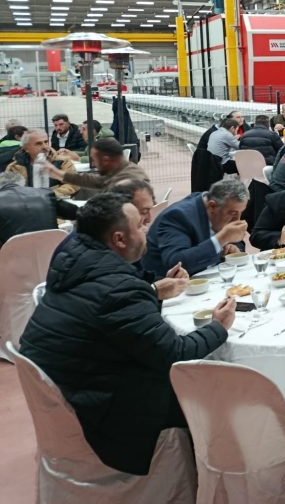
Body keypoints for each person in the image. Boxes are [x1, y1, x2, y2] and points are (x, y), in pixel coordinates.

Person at [19, 192, 236, 475]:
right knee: (208, 387)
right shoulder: (118, 289)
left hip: (70, 395)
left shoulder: (74, 263)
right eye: (140, 226)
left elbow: (103, 310)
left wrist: (152, 291)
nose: (147, 230)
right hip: (104, 418)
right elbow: (176, 353)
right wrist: (218, 327)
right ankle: (218, 473)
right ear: (119, 239)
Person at [143, 178, 249, 276]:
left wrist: (232, 247)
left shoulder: (218, 209)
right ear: (212, 206)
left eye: (241, 213)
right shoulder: (178, 216)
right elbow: (176, 263)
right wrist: (221, 239)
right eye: (233, 213)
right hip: (167, 284)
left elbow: (235, 240)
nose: (237, 219)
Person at [48, 137, 150, 192]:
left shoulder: (126, 182)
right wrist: (56, 173)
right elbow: (90, 180)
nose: (93, 164)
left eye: (94, 160)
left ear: (106, 160)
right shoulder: (119, 171)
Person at [0, 171, 68, 246]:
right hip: (52, 249)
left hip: (12, 251)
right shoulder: (45, 193)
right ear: (23, 183)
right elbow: (73, 212)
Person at [5, 129, 79, 198]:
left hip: (54, 201)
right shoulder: (14, 167)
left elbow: (73, 184)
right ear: (26, 148)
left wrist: (51, 194)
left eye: (46, 142)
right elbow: (9, 190)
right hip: (27, 203)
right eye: (38, 144)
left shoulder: (62, 161)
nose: (45, 146)